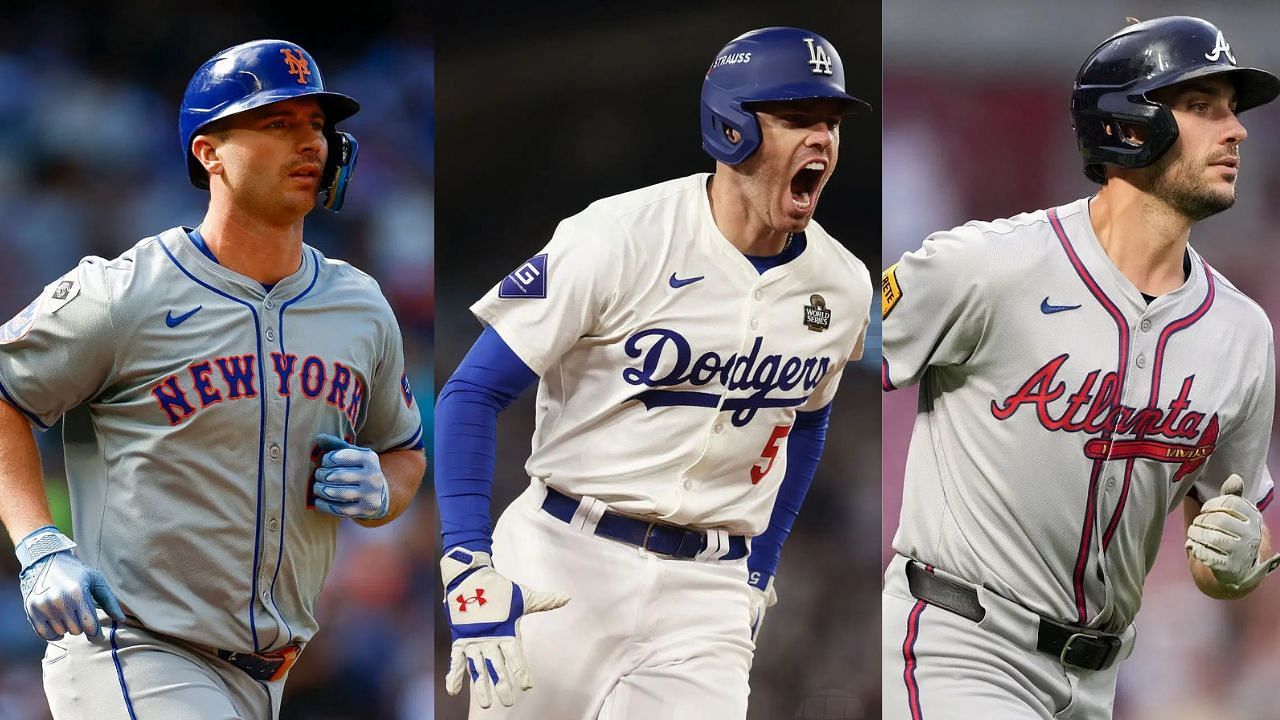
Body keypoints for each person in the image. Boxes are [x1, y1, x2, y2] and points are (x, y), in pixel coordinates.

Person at [435, 26, 873, 719]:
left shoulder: (842, 285)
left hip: (708, 595)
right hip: (562, 561)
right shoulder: (616, 237)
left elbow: (808, 423)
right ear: (732, 129)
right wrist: (466, 556)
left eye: (831, 122)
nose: (822, 138)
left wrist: (764, 563)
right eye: (795, 119)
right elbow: (471, 392)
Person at [0, 39, 426, 719]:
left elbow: (404, 451)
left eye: (317, 123)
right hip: (134, 647)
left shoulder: (360, 306)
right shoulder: (125, 292)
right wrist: (39, 543)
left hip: (267, 676)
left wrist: (385, 487)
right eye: (277, 122)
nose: (309, 140)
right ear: (210, 152)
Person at [882, 16, 1280, 720]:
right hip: (960, 648)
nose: (1237, 131)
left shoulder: (1242, 334)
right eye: (1202, 107)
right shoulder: (986, 266)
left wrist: (1234, 565)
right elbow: (824, 352)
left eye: (1232, 109)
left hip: (1097, 683)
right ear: (1128, 127)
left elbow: (1223, 538)